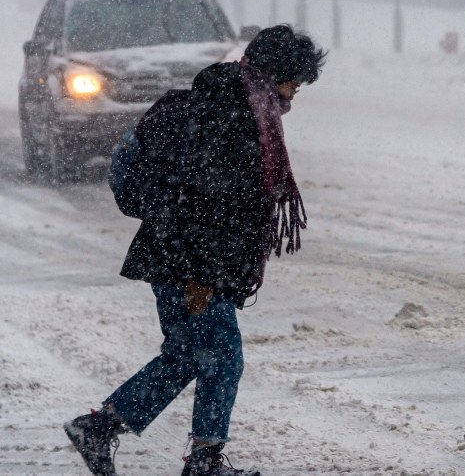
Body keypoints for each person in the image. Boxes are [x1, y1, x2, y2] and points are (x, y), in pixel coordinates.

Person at [64, 24, 326, 476]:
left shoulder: (236, 103)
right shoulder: (235, 115)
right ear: (274, 73)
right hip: (191, 260)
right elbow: (207, 203)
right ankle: (202, 461)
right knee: (222, 357)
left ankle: (102, 428)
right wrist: (201, 275)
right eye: (292, 83)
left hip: (174, 253)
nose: (293, 94)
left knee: (187, 354)